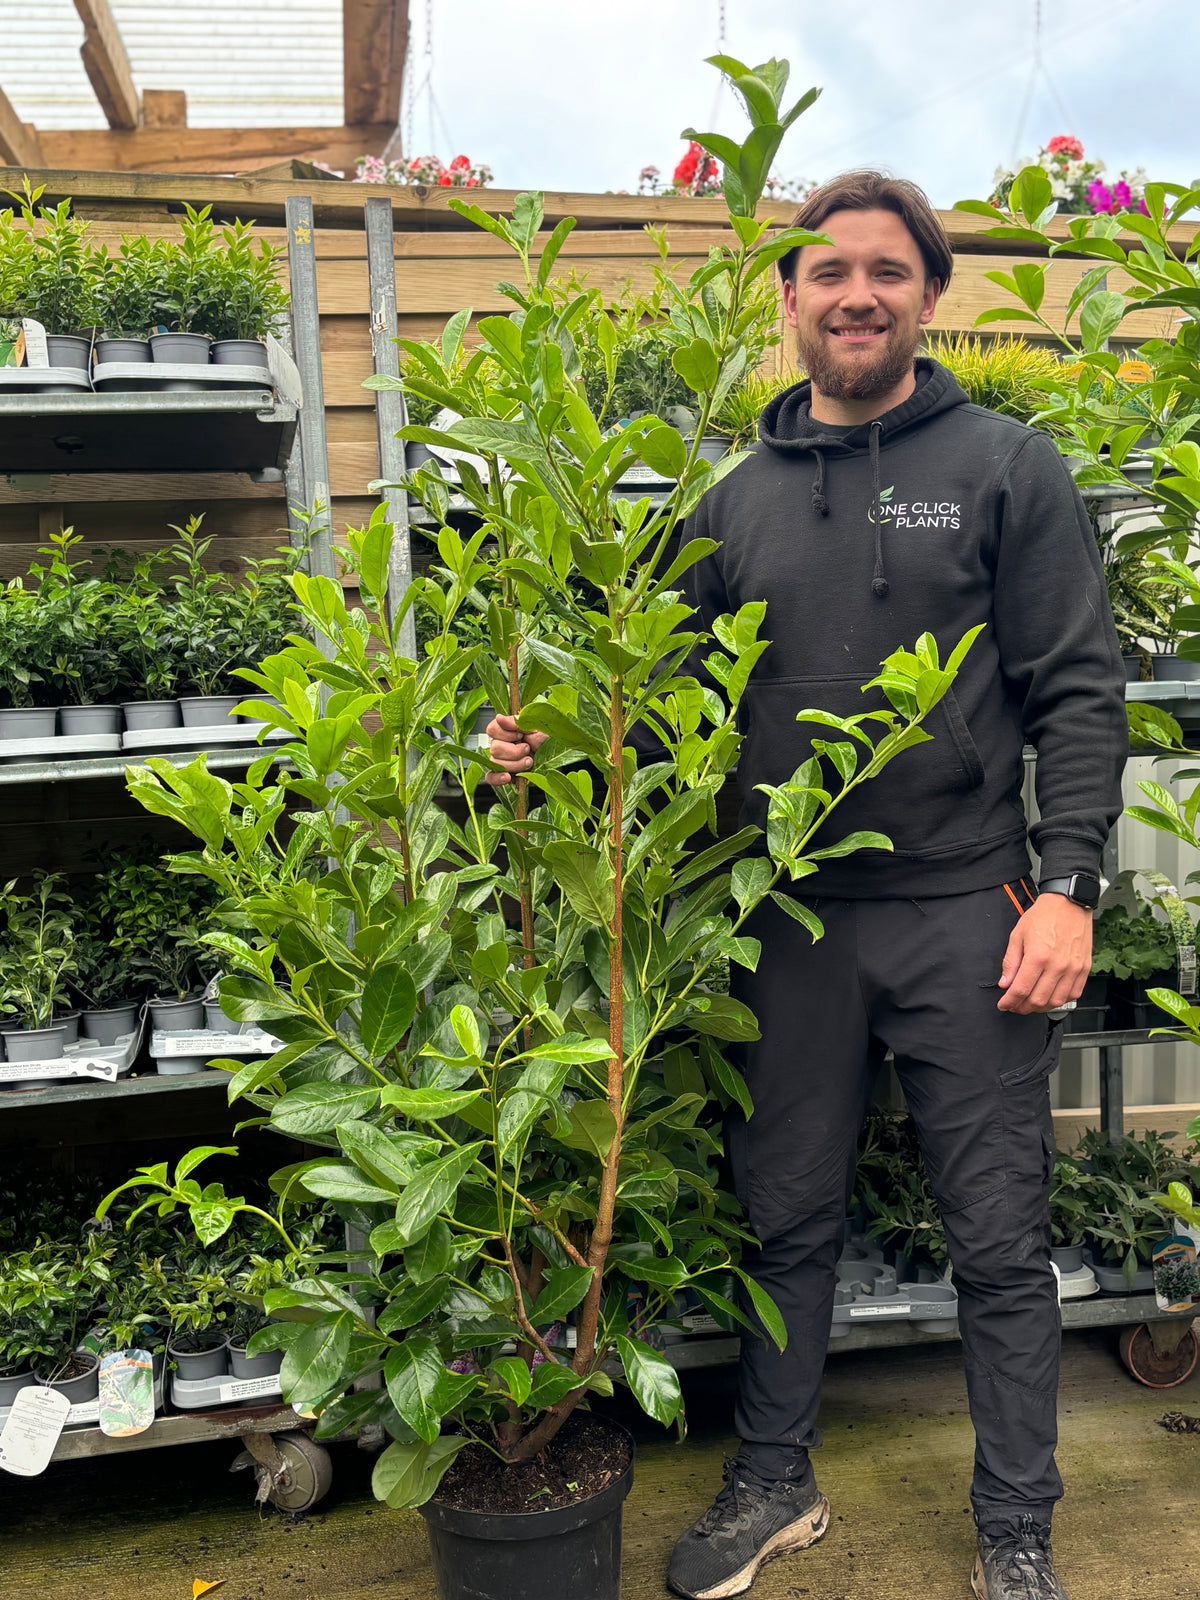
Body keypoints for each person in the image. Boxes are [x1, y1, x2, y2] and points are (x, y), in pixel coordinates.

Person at [486, 171, 1127, 1600]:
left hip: (974, 916)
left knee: (1001, 1240)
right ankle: (775, 1479)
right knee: (783, 1219)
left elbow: (1078, 691)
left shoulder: (1008, 470)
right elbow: (659, 711)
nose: (856, 294)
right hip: (786, 923)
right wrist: (551, 753)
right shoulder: (731, 499)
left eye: (887, 272)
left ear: (930, 296)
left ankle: (1017, 1521)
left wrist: (1071, 885)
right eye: (826, 271)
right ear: (786, 300)